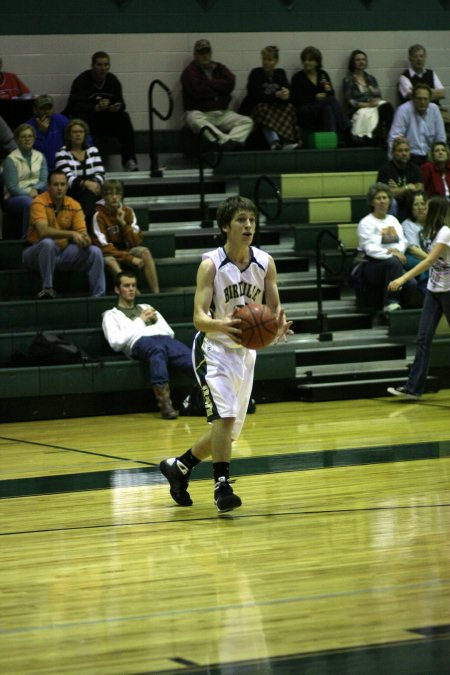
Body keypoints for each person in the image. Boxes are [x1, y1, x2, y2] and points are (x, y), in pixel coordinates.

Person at [160, 195, 292, 513]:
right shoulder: (211, 265)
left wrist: (278, 326)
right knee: (225, 416)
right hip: (213, 348)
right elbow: (198, 319)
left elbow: (274, 311)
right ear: (225, 226)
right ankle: (221, 487)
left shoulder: (265, 262)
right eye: (241, 220)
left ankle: (179, 467)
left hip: (245, 353)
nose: (248, 226)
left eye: (252, 220)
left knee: (228, 432)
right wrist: (224, 324)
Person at [102, 271, 195, 419]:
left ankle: (213, 396)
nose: (131, 289)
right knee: (157, 350)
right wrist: (141, 321)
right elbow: (116, 342)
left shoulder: (146, 306)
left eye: (133, 285)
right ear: (117, 290)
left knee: (192, 359)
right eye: (126, 286)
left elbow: (169, 331)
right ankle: (165, 404)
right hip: (140, 343)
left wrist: (150, 322)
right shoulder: (111, 315)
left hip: (164, 339)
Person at [387, 196, 450, 400]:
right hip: (434, 291)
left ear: (437, 212)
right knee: (423, 338)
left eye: (428, 208)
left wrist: (403, 278)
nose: (423, 210)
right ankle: (413, 388)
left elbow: (430, 260)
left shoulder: (445, 232)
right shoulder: (429, 232)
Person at [23, 170, 105, 299]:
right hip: (35, 254)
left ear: (67, 186)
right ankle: (47, 289)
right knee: (48, 243)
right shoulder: (39, 202)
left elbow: (82, 232)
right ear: (48, 186)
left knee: (94, 252)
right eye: (56, 185)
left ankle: (98, 296)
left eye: (62, 184)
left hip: (62, 252)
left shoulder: (74, 204)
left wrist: (85, 239)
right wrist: (72, 234)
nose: (59, 188)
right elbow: (44, 232)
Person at [63, 51, 138, 171]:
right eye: (99, 65)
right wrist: (95, 107)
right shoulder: (82, 80)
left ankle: (129, 160)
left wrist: (116, 108)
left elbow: (122, 103)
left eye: (106, 65)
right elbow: (73, 106)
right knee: (80, 120)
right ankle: (85, 162)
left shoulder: (113, 80)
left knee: (124, 117)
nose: (103, 68)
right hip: (89, 120)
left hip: (108, 120)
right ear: (92, 66)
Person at [181, 39, 253, 149]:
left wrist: (207, 84)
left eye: (207, 52)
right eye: (201, 53)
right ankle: (225, 141)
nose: (205, 56)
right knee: (193, 119)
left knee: (247, 121)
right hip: (201, 113)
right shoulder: (189, 72)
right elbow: (198, 92)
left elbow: (230, 83)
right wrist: (220, 90)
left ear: (211, 53)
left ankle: (228, 141)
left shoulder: (219, 67)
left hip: (221, 113)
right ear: (195, 55)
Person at [357, 182, 417, 312]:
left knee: (411, 283)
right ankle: (390, 303)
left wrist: (398, 251)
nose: (382, 201)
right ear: (372, 202)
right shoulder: (366, 222)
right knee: (393, 262)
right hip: (371, 264)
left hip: (394, 262)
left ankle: (396, 314)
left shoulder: (392, 220)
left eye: (385, 198)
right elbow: (369, 248)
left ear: (390, 201)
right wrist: (392, 254)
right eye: (378, 198)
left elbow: (403, 241)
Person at [92, 179, 160, 293]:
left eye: (117, 193)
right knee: (111, 262)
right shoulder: (98, 215)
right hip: (109, 254)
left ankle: (156, 294)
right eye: (110, 194)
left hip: (127, 249)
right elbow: (104, 248)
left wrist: (123, 224)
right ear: (104, 196)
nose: (114, 197)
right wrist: (130, 258)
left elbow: (136, 242)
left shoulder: (128, 211)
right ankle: (137, 297)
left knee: (145, 252)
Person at [239, 45, 300, 151]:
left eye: (269, 59)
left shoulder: (280, 73)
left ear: (276, 61)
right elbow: (256, 95)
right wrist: (276, 95)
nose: (266, 62)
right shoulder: (255, 73)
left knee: (289, 107)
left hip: (274, 107)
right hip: (256, 108)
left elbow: (287, 92)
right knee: (263, 108)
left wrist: (286, 94)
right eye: (264, 59)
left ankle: (287, 141)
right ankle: (274, 142)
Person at [290, 46, 351, 145]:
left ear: (317, 62)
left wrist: (325, 94)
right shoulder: (298, 77)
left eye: (310, 60)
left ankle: (331, 140)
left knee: (329, 109)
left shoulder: (322, 75)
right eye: (304, 60)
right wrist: (314, 97)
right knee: (330, 101)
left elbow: (331, 93)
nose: (306, 62)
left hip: (321, 108)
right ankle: (347, 128)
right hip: (304, 110)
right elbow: (295, 99)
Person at [55, 118, 105, 229]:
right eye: (75, 132)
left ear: (85, 134)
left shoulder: (93, 150)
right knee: (88, 196)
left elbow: (100, 173)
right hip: (73, 191)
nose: (78, 135)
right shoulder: (62, 153)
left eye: (81, 132)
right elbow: (66, 177)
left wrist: (94, 183)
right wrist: (86, 184)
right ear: (68, 135)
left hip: (93, 189)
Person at [3, 123, 47, 238]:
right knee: (30, 203)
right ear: (17, 140)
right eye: (23, 137)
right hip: (14, 198)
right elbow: (12, 187)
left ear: (34, 138)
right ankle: (28, 239)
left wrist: (35, 189)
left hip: (37, 192)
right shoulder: (10, 160)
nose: (27, 139)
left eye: (30, 136)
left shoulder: (40, 156)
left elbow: (43, 179)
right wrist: (29, 193)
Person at [342, 49, 394, 146]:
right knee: (366, 114)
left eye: (363, 60)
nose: (361, 62)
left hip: (373, 106)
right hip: (358, 109)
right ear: (353, 62)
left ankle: (390, 137)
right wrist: (367, 104)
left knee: (387, 107)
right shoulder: (348, 80)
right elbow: (350, 101)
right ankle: (369, 138)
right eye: (358, 60)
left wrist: (374, 102)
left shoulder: (371, 78)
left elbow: (378, 95)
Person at [388, 84, 446, 165]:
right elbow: (394, 138)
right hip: (409, 157)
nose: (422, 102)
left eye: (425, 99)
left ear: (430, 99)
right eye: (419, 99)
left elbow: (441, 137)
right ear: (413, 99)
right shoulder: (403, 110)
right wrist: (393, 163)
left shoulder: (434, 109)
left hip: (429, 156)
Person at [377, 136, 423, 221]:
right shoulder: (385, 170)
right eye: (400, 150)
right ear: (393, 153)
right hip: (393, 208)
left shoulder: (415, 168)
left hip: (409, 205)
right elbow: (385, 195)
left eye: (406, 150)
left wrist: (398, 190)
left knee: (419, 200)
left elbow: (419, 190)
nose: (404, 153)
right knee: (392, 202)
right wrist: (407, 187)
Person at [27, 94, 70, 171]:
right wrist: (41, 133)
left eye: (49, 108)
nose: (46, 112)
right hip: (39, 168)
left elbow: (78, 130)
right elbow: (32, 153)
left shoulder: (61, 120)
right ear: (35, 110)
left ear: (53, 109)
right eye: (42, 108)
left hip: (62, 166)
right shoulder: (28, 126)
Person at [401, 190, 430, 294]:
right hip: (415, 258)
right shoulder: (407, 224)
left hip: (432, 258)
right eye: (416, 204)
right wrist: (431, 260)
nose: (420, 207)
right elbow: (413, 249)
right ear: (411, 208)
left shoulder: (434, 223)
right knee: (425, 266)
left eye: (423, 203)